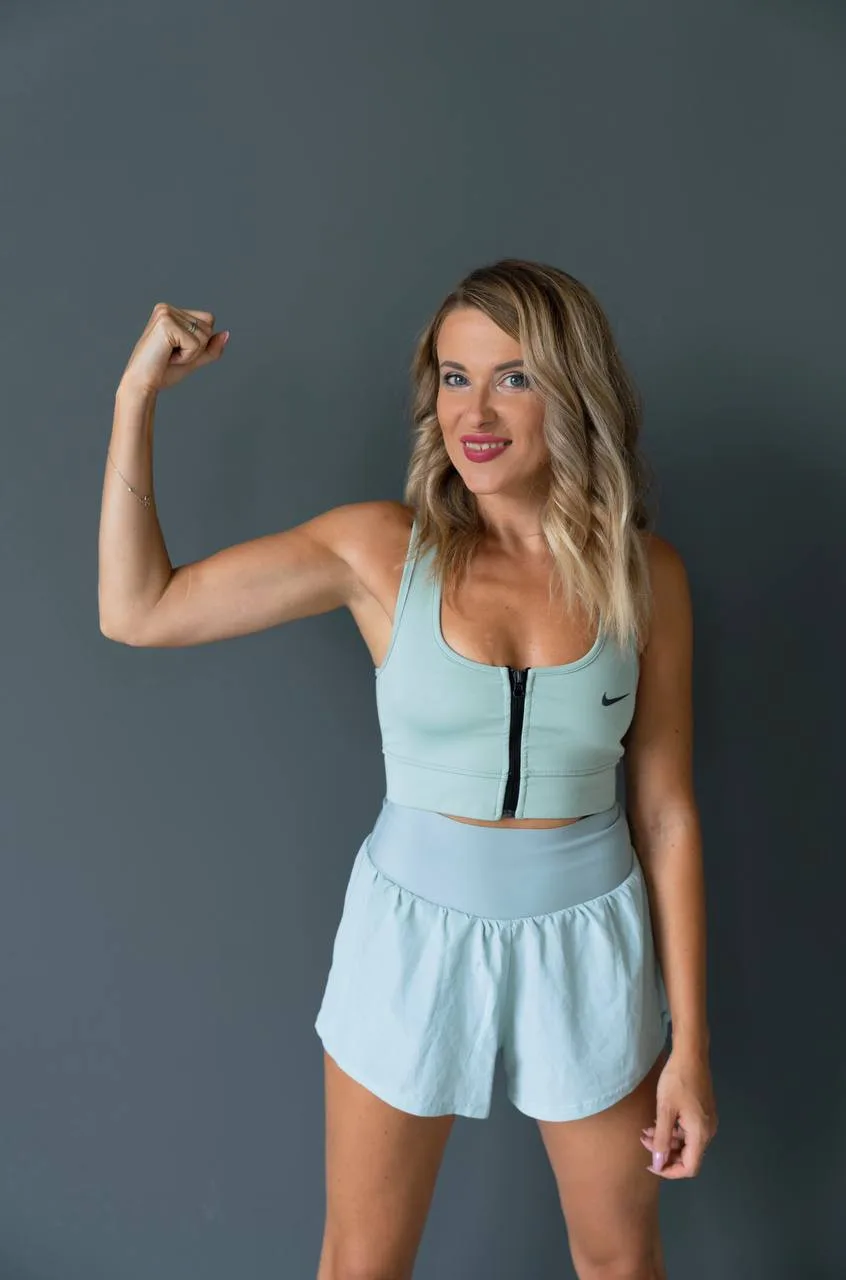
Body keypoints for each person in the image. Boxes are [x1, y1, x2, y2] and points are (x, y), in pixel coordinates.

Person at [98, 259, 718, 1280]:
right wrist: (135, 398)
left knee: (620, 1259)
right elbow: (138, 609)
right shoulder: (380, 551)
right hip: (411, 937)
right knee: (362, 1263)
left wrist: (688, 1043)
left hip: (589, 940)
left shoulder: (645, 576)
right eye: (453, 377)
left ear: (572, 391)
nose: (474, 412)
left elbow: (665, 813)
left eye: (513, 377)